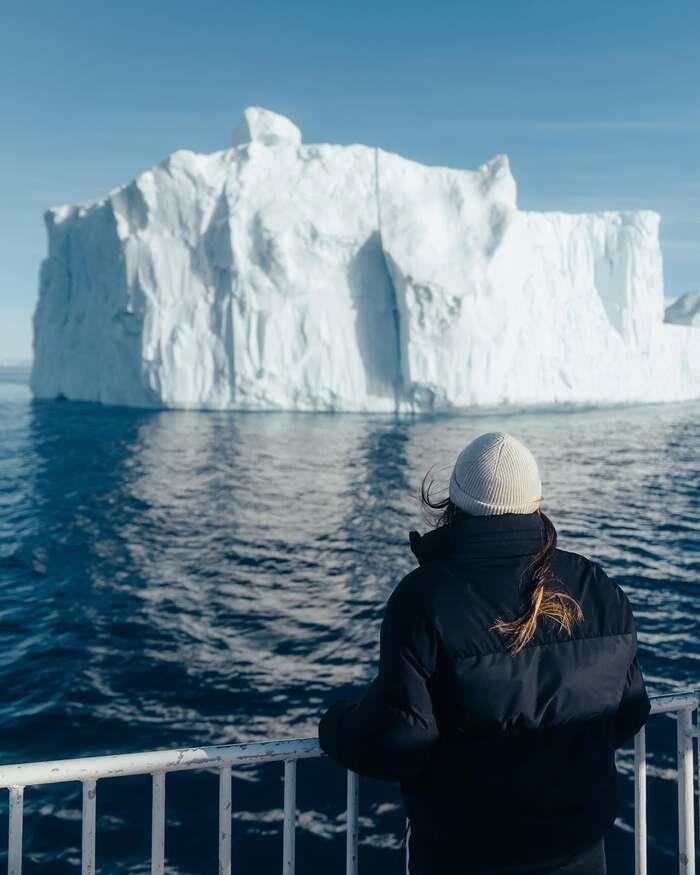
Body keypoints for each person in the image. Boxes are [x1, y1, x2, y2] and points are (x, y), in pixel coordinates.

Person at [319, 431, 650, 874]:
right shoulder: (598, 588)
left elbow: (398, 742)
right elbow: (629, 711)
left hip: (465, 855)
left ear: (453, 504)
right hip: (579, 854)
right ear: (536, 501)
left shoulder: (425, 597)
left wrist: (336, 727)